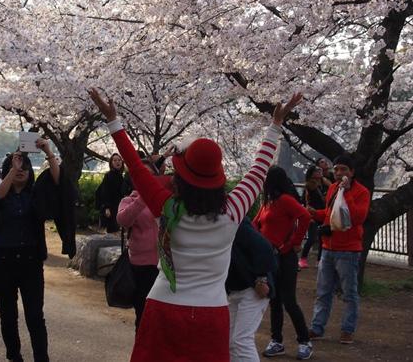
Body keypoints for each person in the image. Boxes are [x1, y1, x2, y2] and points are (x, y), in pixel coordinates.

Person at [89, 88, 302, 362]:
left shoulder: (166, 206)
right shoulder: (234, 209)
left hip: (163, 305)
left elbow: (136, 166)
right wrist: (275, 125)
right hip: (210, 312)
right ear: (217, 177)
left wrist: (114, 121)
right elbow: (259, 168)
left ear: (181, 174)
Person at [0, 139, 75, 362]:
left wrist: (48, 151)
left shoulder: (36, 194)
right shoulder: (1, 195)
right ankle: (14, 356)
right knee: (8, 315)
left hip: (31, 262)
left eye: (25, 167)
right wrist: (11, 170)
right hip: (4, 261)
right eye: (16, 167)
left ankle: (41, 358)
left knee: (35, 316)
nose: (21, 170)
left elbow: (59, 182)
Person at [307, 154, 370, 345]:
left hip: (349, 250)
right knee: (323, 291)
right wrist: (315, 214)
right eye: (336, 169)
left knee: (349, 293)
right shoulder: (332, 188)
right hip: (328, 247)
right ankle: (317, 328)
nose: (339, 172)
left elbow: (357, 218)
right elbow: (330, 215)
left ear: (352, 172)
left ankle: (347, 330)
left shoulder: (361, 192)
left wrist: (348, 192)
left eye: (343, 169)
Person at [252, 166, 312, 359]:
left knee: (289, 300)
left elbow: (305, 216)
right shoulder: (268, 203)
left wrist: (294, 243)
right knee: (275, 301)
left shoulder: (285, 201)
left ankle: (305, 341)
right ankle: (277, 340)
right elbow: (255, 224)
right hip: (270, 258)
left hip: (285, 257)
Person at [116, 160, 169, 330]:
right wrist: (143, 198)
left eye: (151, 176)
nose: (147, 179)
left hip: (166, 265)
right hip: (142, 266)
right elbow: (123, 220)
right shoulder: (129, 200)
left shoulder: (166, 199)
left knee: (163, 316)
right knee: (144, 315)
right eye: (142, 176)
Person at [226, 217, 278, 362]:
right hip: (234, 288)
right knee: (230, 341)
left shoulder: (232, 220)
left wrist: (261, 278)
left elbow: (264, 246)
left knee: (241, 340)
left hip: (253, 287)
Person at [299, 166, 326, 269]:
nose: (319, 172)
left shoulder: (323, 184)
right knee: (312, 238)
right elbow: (304, 200)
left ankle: (319, 260)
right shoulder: (310, 185)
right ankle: (303, 258)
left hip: (322, 213)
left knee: (322, 238)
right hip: (312, 214)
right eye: (316, 171)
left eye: (320, 170)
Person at [98, 153, 124, 233]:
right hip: (111, 207)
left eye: (119, 160)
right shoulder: (108, 175)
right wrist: (106, 208)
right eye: (115, 160)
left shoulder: (121, 176)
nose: (117, 162)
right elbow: (105, 192)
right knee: (112, 231)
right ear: (111, 163)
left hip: (119, 206)